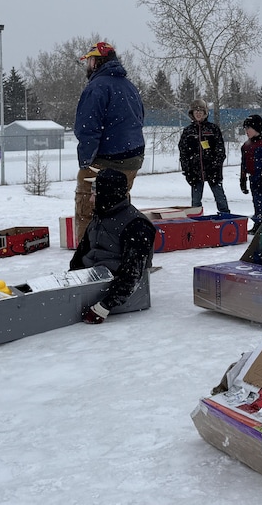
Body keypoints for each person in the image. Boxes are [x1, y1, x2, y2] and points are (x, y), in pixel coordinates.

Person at [73, 41, 145, 244]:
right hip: (132, 159)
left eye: (88, 61)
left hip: (105, 161)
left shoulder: (96, 87)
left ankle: (87, 259)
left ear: (95, 62)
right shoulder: (129, 86)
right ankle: (120, 252)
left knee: (87, 209)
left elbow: (87, 128)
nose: (87, 65)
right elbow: (139, 118)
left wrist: (86, 162)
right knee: (120, 207)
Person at [72, 168, 157, 324]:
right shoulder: (101, 216)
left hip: (114, 297)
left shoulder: (136, 225)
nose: (91, 200)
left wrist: (104, 307)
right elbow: (80, 254)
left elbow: (132, 275)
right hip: (90, 284)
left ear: (107, 195)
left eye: (95, 195)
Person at [178, 99, 230, 215]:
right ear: (192, 113)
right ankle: (196, 222)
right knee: (195, 202)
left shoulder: (213, 129)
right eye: (195, 111)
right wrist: (187, 170)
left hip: (213, 171)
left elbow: (220, 150)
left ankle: (227, 219)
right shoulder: (188, 131)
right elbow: (183, 153)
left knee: (220, 197)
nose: (198, 113)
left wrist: (215, 166)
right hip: (195, 173)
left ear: (205, 113)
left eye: (201, 111)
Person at [239, 114, 262, 233]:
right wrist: (243, 179)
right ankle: (259, 222)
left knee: (260, 199)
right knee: (256, 199)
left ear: (256, 129)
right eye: (245, 129)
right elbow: (243, 163)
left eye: (249, 128)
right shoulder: (246, 146)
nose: (246, 131)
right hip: (252, 176)